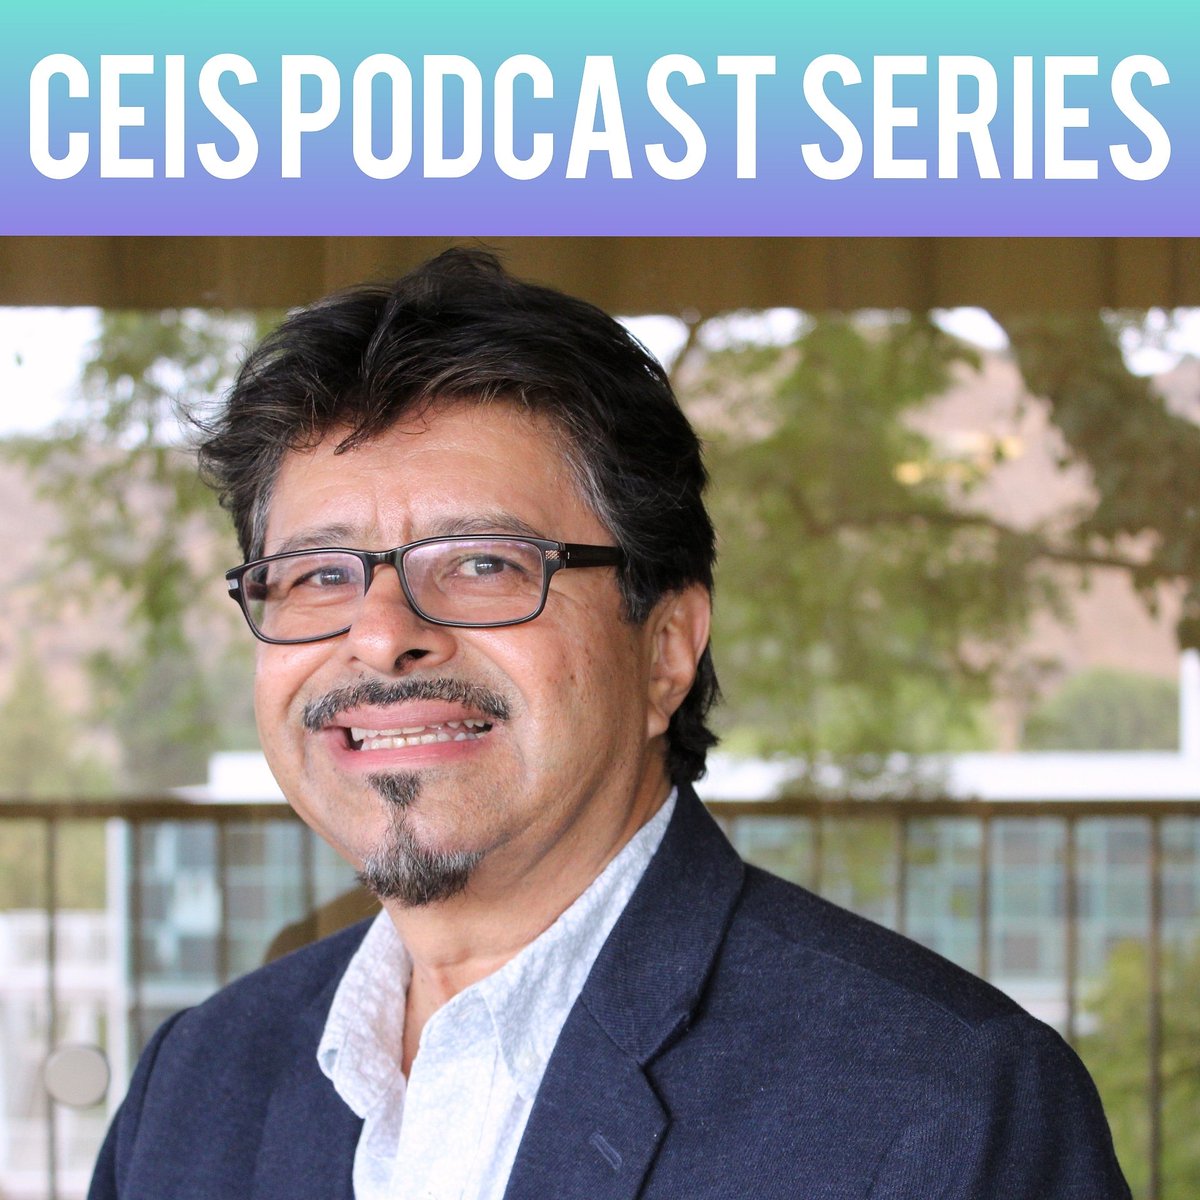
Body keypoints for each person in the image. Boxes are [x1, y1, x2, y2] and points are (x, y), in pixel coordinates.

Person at [88, 249, 1130, 1199]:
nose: (381, 635)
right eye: (318, 574)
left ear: (665, 651)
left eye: (483, 563)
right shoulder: (193, 1089)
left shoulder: (943, 1111)